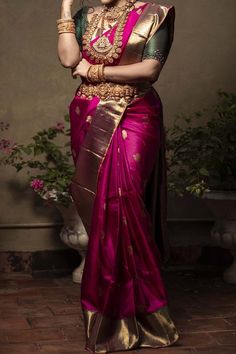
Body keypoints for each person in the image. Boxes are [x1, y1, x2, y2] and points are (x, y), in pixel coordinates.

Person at [57, 0, 179, 352]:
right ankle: (111, 314)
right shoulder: (86, 16)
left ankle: (144, 314)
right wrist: (66, 6)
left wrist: (94, 71)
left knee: (123, 201)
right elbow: (68, 59)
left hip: (135, 113)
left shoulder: (155, 14)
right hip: (90, 113)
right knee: (102, 210)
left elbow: (149, 70)